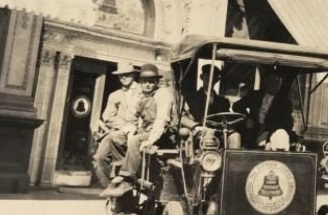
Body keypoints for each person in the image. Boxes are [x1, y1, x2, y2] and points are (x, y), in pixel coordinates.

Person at [101, 64, 176, 198]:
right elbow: (131, 117)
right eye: (145, 81)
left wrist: (151, 140)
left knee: (136, 141)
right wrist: (130, 133)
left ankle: (128, 179)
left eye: (151, 81)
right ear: (140, 82)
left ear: (156, 82)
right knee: (114, 137)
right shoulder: (139, 95)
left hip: (162, 134)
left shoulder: (163, 94)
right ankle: (122, 170)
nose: (148, 84)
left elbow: (162, 120)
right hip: (144, 131)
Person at [92, 62, 140, 188]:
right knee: (100, 158)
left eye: (127, 74)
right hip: (119, 131)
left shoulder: (142, 91)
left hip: (138, 131)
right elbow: (107, 117)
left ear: (133, 75)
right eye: (121, 75)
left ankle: (129, 180)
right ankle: (111, 187)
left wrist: (133, 127)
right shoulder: (114, 95)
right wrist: (125, 125)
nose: (124, 77)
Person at [239, 67, 295, 149]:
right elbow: (237, 106)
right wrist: (247, 118)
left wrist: (269, 132)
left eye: (278, 82)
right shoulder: (254, 95)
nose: (276, 85)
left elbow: (287, 123)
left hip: (271, 133)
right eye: (272, 81)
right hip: (253, 130)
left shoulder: (285, 102)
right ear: (265, 82)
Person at [182, 62, 231, 128]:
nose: (210, 79)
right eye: (208, 75)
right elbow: (185, 116)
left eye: (214, 76)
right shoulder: (190, 98)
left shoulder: (223, 102)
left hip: (218, 130)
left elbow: (227, 119)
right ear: (201, 77)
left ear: (217, 80)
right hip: (199, 130)